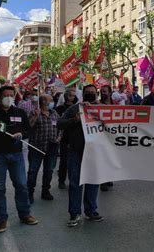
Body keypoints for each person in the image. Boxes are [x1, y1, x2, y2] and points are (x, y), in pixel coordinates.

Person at [0, 86, 38, 233]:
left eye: (12, 95)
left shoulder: (20, 112)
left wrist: (22, 135)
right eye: (6, 95)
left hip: (17, 155)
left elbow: (28, 130)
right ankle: (2, 220)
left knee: (22, 186)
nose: (9, 98)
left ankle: (25, 214)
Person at [57, 84, 104, 227]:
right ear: (82, 94)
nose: (91, 94)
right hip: (76, 151)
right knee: (75, 182)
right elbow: (60, 123)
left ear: (96, 94)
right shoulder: (74, 109)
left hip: (95, 151)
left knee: (93, 181)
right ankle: (74, 213)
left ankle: (91, 211)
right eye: (88, 92)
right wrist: (74, 120)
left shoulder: (103, 109)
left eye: (93, 92)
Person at [27, 94, 60, 203]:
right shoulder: (34, 112)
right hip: (36, 147)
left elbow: (60, 126)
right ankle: (29, 193)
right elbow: (28, 127)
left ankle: (45, 191)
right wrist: (36, 117)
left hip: (52, 147)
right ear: (43, 102)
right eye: (50, 100)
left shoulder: (54, 113)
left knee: (49, 170)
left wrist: (59, 137)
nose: (52, 102)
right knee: (33, 171)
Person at [55, 89, 78, 189]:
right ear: (67, 97)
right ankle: (61, 181)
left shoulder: (78, 107)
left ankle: (72, 180)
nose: (73, 97)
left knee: (74, 161)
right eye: (71, 95)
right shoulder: (60, 108)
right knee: (64, 161)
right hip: (64, 136)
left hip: (75, 137)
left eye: (74, 95)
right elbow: (57, 122)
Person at [99, 85, 114, 192]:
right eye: (101, 91)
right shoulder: (97, 104)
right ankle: (102, 181)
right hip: (101, 135)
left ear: (110, 92)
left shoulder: (115, 105)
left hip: (113, 136)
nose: (103, 93)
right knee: (103, 159)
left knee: (110, 158)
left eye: (105, 91)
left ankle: (109, 177)